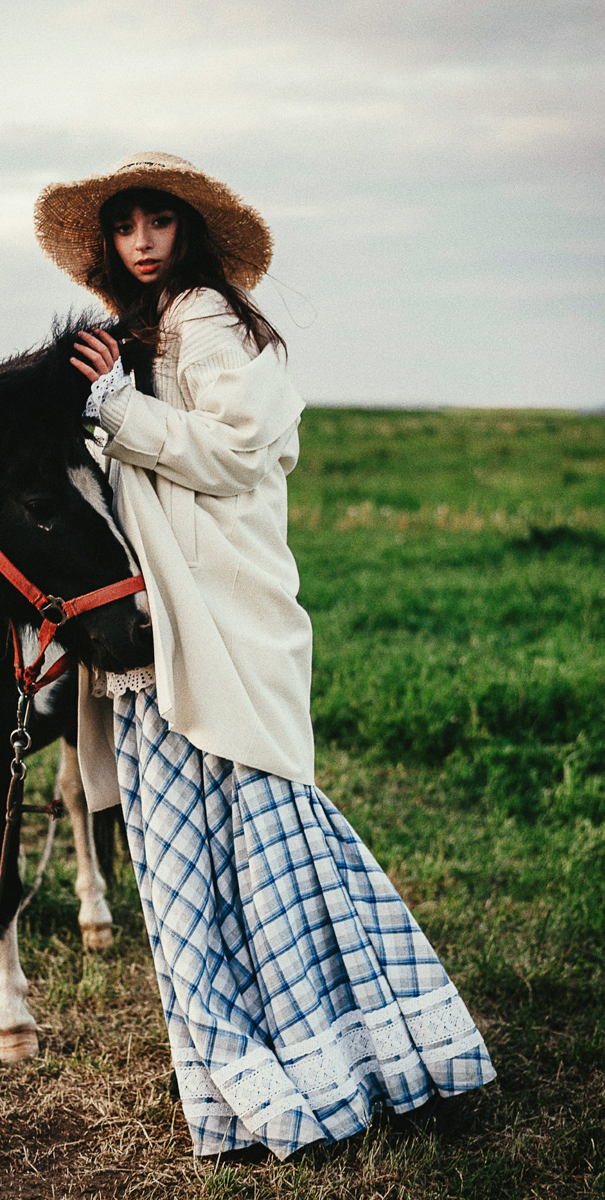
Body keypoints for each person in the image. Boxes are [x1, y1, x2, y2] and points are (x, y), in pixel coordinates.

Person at [34, 152, 496, 1161]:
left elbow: (242, 453)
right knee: (202, 861)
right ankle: (282, 1078)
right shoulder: (142, 334)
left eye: (159, 221)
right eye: (127, 227)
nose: (144, 241)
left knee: (251, 839)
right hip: (163, 622)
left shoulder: (203, 314)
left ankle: (335, 1068)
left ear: (188, 231)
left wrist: (115, 409)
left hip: (219, 611)